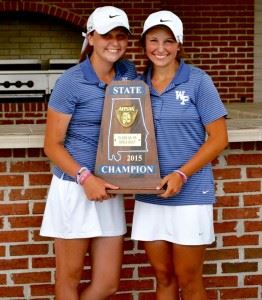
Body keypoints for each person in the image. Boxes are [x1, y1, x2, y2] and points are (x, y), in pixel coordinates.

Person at [40, 6, 137, 300]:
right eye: (107, 35)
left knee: (108, 284)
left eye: (121, 36)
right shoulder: (71, 81)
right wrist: (85, 177)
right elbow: (52, 145)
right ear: (91, 37)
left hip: (109, 186)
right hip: (75, 187)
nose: (115, 42)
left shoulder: (127, 72)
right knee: (69, 279)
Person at [131, 10, 228, 300]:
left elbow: (219, 137)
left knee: (189, 278)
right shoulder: (135, 86)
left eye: (168, 41)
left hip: (190, 194)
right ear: (144, 44)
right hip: (149, 193)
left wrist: (181, 174)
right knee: (163, 276)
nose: (160, 48)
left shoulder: (198, 81)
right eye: (153, 40)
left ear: (179, 45)